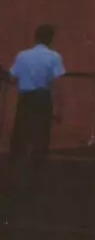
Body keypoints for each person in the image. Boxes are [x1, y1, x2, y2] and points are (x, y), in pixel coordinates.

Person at [7, 24, 65, 188]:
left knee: (19, 137)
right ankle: (35, 179)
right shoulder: (54, 57)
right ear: (51, 39)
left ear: (35, 36)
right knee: (41, 139)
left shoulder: (22, 55)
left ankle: (13, 176)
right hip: (42, 99)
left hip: (25, 98)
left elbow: (12, 78)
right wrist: (59, 109)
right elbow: (57, 85)